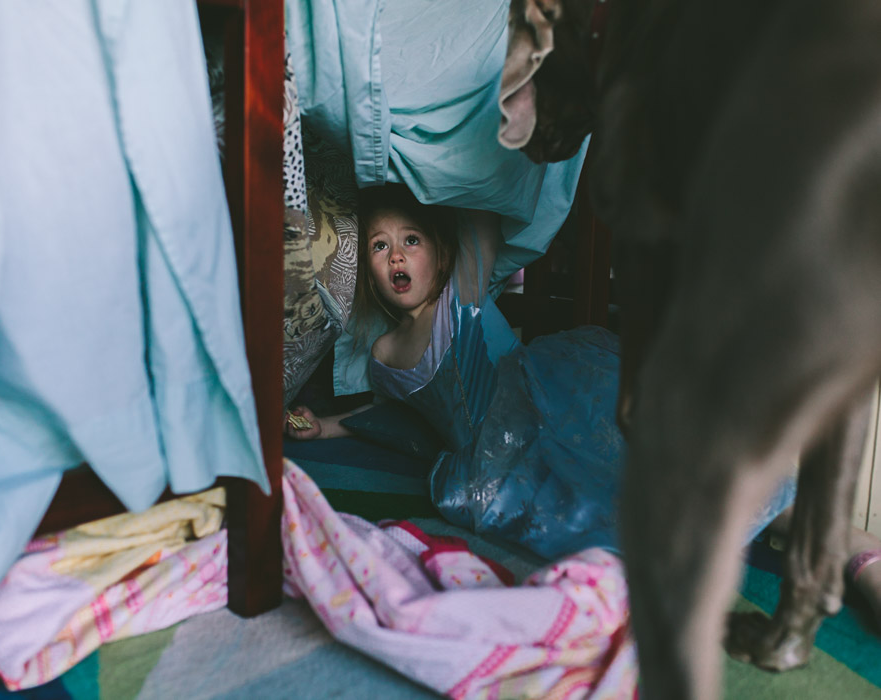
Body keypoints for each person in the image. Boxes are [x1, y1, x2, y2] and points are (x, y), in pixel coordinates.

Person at [285, 184, 881, 622]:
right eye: (379, 245)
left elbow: (480, 217)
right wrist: (328, 428)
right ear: (364, 266)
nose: (395, 256)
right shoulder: (384, 353)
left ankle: (838, 539)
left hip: (552, 399)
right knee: (612, 515)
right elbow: (405, 422)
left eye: (410, 241)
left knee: (653, 454)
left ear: (439, 255)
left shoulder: (459, 296)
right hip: (494, 465)